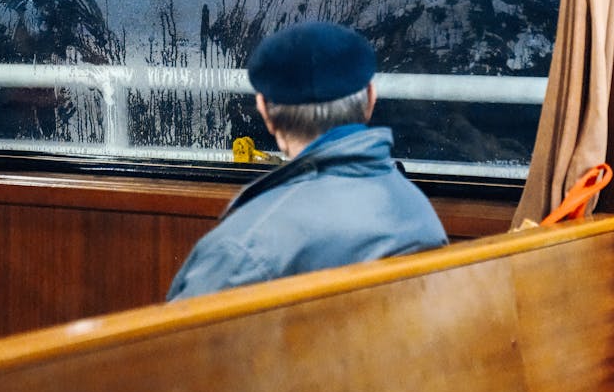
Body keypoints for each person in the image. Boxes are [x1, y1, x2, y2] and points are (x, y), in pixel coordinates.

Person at [167, 21, 448, 299]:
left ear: (264, 110)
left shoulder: (242, 251)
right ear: (370, 100)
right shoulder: (419, 214)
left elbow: (176, 341)